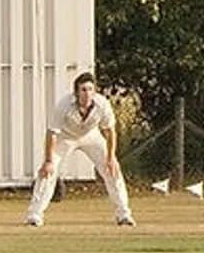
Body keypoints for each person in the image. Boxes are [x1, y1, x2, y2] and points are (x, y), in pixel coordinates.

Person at [25, 71, 135, 227]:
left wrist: (111, 158)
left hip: (91, 135)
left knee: (112, 170)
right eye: (83, 90)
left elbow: (110, 132)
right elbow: (52, 134)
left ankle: (124, 215)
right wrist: (48, 161)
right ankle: (34, 215)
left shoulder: (102, 104)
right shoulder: (63, 105)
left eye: (90, 89)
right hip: (66, 137)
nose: (87, 94)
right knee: (48, 171)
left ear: (94, 91)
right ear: (76, 92)